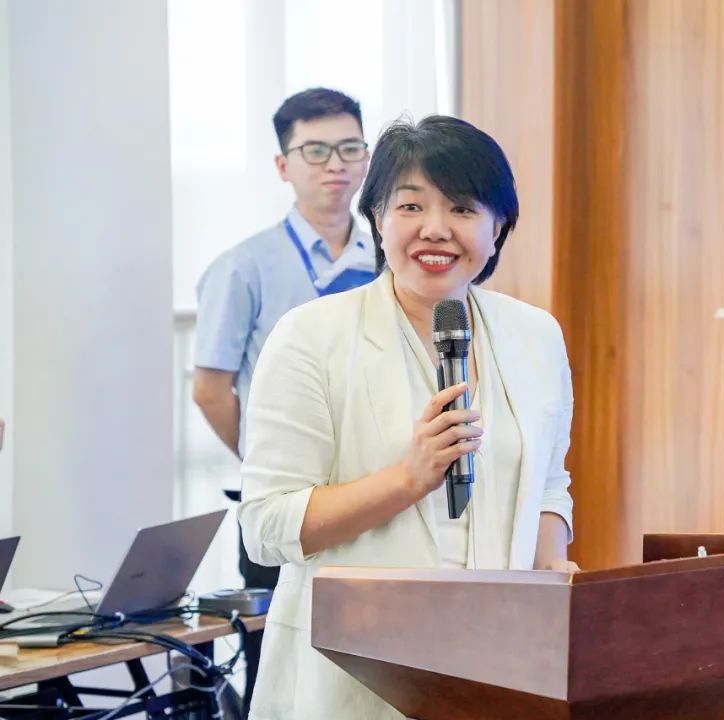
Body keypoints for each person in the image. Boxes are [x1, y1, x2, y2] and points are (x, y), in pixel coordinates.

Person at [237, 115, 578, 719]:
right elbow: (265, 528)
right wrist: (408, 479)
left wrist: (552, 570)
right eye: (411, 206)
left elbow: (549, 483)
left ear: (498, 228)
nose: (436, 229)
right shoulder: (310, 337)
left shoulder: (535, 335)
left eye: (463, 209)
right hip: (356, 677)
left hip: (500, 663)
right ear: (378, 219)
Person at [192, 87, 376, 714]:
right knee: (281, 673)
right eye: (315, 150)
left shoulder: (392, 259)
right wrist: (271, 465)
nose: (335, 164)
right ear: (283, 165)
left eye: (349, 148)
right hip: (289, 508)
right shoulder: (244, 267)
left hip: (379, 499)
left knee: (373, 671)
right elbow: (210, 390)